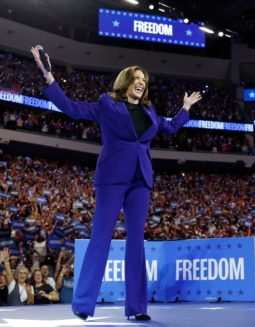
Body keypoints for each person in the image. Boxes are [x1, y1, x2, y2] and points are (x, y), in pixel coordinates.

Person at [30, 47, 202, 321]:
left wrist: (185, 109)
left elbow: (168, 128)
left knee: (137, 242)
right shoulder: (107, 104)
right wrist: (49, 77)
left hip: (141, 180)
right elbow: (73, 109)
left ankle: (137, 308)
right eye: (137, 78)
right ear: (127, 81)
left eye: (144, 80)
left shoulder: (149, 110)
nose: (141, 82)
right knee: (101, 238)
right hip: (111, 178)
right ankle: (83, 305)